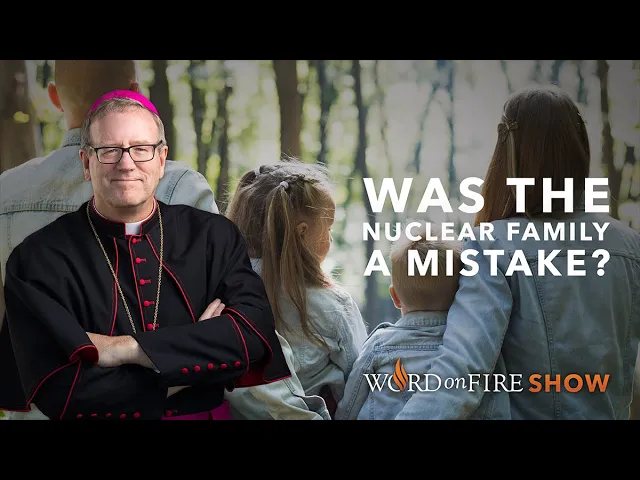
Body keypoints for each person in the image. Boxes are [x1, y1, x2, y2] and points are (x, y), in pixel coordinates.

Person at [0, 60, 328, 421]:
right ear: (86, 162)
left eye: (140, 149)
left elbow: (251, 337)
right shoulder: (37, 255)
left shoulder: (212, 236)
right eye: (109, 151)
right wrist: (194, 359)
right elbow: (63, 390)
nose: (126, 164)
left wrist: (125, 348)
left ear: (161, 158)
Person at [394, 85, 640, 420]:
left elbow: (462, 373)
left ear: (507, 153)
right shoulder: (629, 246)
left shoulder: (492, 244)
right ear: (581, 148)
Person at [225, 160, 369, 417]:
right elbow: (360, 382)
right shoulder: (333, 305)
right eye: (328, 228)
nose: (331, 238)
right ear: (302, 234)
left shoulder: (219, 293)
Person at [335, 225, 510, 420]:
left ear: (395, 296)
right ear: (460, 293)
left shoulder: (380, 344)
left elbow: (350, 404)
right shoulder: (473, 348)